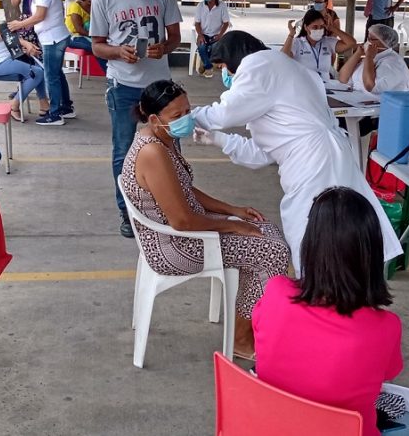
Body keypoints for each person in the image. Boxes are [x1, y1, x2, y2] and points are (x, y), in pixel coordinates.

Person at [193, 31, 403, 275]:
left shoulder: (259, 65)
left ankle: (322, 293)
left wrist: (188, 117)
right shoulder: (279, 69)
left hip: (315, 162)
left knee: (317, 232)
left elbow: (225, 113)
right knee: (334, 232)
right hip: (320, 155)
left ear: (235, 57)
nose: (227, 75)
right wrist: (218, 140)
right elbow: (262, 153)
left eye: (224, 67)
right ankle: (330, 290)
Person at [121, 81, 290, 357]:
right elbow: (182, 221)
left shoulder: (161, 136)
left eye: (187, 111)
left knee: (265, 229)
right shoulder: (152, 151)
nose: (186, 119)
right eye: (177, 116)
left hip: (183, 231)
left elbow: (182, 189)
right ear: (154, 118)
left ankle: (250, 324)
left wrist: (232, 209)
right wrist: (232, 224)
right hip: (176, 246)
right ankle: (241, 339)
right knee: (272, 252)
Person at [253, 186, 403, 436]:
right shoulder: (386, 326)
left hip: (270, 426)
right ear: (372, 252)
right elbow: (387, 373)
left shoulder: (276, 293)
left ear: (310, 243)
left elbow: (259, 333)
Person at [90, 0, 182, 238]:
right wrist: (118, 52)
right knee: (123, 150)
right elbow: (97, 46)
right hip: (123, 84)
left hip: (159, 87)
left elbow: (175, 37)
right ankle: (128, 212)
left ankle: (175, 206)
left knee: (170, 147)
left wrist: (164, 48)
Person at [8, 0, 74, 126]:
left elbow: (39, 16)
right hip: (54, 36)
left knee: (51, 76)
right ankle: (66, 107)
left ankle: (55, 114)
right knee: (56, 73)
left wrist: (19, 24)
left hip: (52, 39)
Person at [281, 8, 357, 82]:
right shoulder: (298, 42)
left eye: (321, 27)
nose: (318, 29)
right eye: (315, 27)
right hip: (304, 86)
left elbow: (351, 43)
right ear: (306, 27)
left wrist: (332, 28)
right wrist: (291, 35)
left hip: (326, 87)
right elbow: (283, 57)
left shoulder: (328, 42)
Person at [338, 23, 409, 94]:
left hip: (378, 103)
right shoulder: (373, 57)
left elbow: (370, 87)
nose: (368, 42)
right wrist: (358, 54)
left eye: (371, 39)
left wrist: (369, 57)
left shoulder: (392, 62)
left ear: (384, 42)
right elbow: (343, 78)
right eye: (367, 38)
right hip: (358, 100)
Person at [65, 0, 107, 73]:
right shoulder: (75, 6)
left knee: (106, 47)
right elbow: (79, 29)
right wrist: (96, 36)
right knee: (98, 49)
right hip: (74, 38)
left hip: (87, 37)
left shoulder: (92, 7)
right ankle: (111, 76)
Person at [194, 0, 230, 78]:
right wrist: (200, 35)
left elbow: (226, 23)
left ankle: (205, 64)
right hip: (204, 34)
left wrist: (220, 35)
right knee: (201, 46)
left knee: (215, 48)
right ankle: (208, 66)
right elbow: (197, 23)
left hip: (216, 35)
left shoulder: (222, 6)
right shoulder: (200, 6)